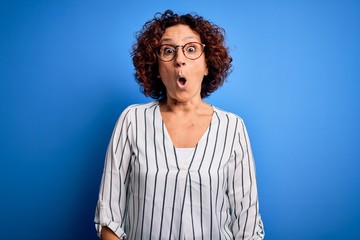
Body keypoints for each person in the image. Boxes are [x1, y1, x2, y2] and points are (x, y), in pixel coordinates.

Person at [94, 9, 264, 240]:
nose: (180, 59)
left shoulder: (232, 128)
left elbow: (248, 226)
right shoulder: (132, 121)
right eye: (168, 51)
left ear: (207, 65)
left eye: (191, 49)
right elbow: (109, 219)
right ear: (156, 68)